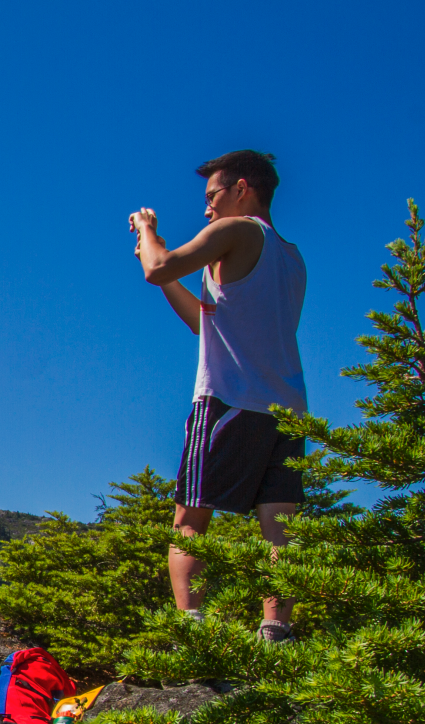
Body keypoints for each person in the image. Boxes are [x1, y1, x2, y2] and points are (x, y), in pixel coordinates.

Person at [129, 149, 307, 643]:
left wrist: (147, 232)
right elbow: (206, 324)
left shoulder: (237, 231)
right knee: (280, 530)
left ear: (242, 189)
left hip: (229, 400)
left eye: (213, 196)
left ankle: (194, 636)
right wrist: (159, 255)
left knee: (189, 520)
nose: (207, 209)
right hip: (288, 411)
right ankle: (276, 632)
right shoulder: (292, 259)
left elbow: (157, 267)